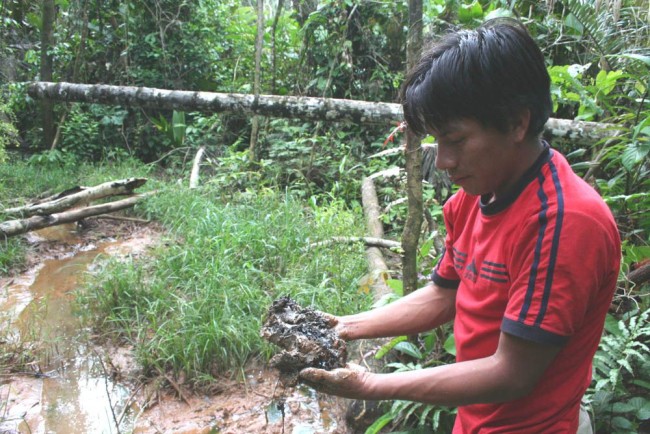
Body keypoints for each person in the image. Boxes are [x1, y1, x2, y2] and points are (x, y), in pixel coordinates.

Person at [299, 18, 621, 433]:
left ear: (517, 123)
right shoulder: (475, 197)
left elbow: (512, 373)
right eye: (436, 141)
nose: (444, 161)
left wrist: (372, 384)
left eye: (456, 140)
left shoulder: (564, 223)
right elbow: (443, 295)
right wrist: (345, 326)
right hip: (476, 420)